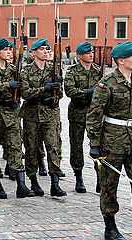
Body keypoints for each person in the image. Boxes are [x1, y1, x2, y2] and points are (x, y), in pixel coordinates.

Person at [86, 42, 132, 240]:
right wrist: (94, 144)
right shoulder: (107, 83)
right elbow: (95, 115)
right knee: (109, 184)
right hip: (113, 141)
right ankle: (110, 227)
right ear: (122, 60)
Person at [0, 38, 34, 199]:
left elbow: (24, 89)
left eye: (10, 49)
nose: (9, 52)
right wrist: (7, 85)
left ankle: (21, 184)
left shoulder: (14, 70)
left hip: (11, 115)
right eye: (6, 49)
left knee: (16, 148)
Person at [20, 38, 66, 197]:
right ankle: (33, 181)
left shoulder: (53, 70)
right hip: (32, 115)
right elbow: (24, 93)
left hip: (50, 115)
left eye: (47, 49)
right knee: (31, 148)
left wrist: (55, 97)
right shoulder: (26, 72)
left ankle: (55, 184)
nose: (46, 51)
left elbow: (60, 92)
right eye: (42, 49)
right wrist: (43, 90)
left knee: (54, 147)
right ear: (33, 53)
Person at [64, 42, 101, 193]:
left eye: (92, 52)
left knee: (98, 146)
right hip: (77, 114)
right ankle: (79, 177)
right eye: (87, 53)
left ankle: (100, 177)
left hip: (94, 114)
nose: (91, 55)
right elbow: (70, 91)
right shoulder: (72, 71)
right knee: (76, 147)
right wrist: (88, 92)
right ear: (79, 55)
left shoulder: (98, 71)